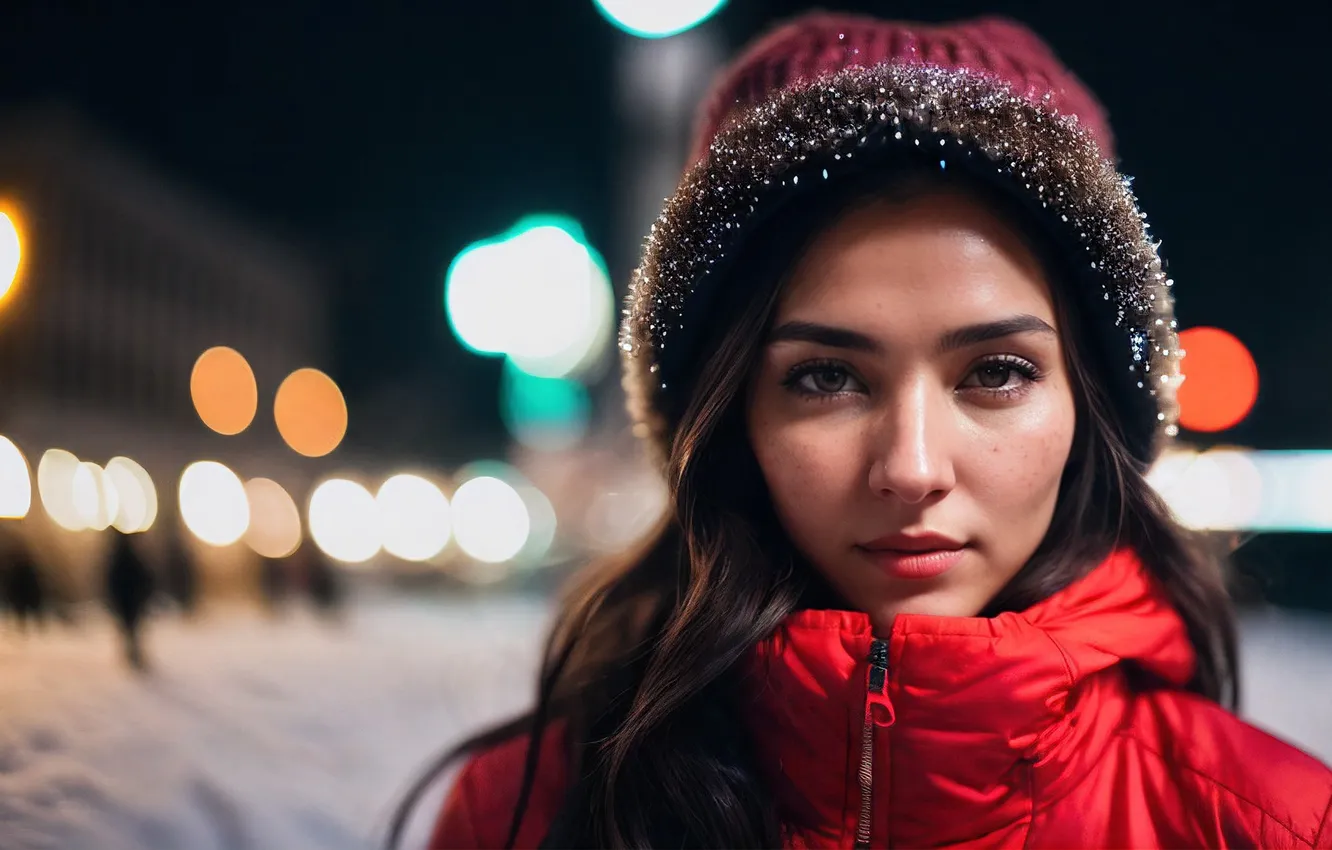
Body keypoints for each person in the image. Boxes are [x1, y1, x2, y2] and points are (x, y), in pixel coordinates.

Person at [400, 12, 1332, 849]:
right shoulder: (520, 816)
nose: (912, 469)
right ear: (725, 418)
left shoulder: (1272, 824)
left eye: (997, 373)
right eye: (827, 377)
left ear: (1093, 410)